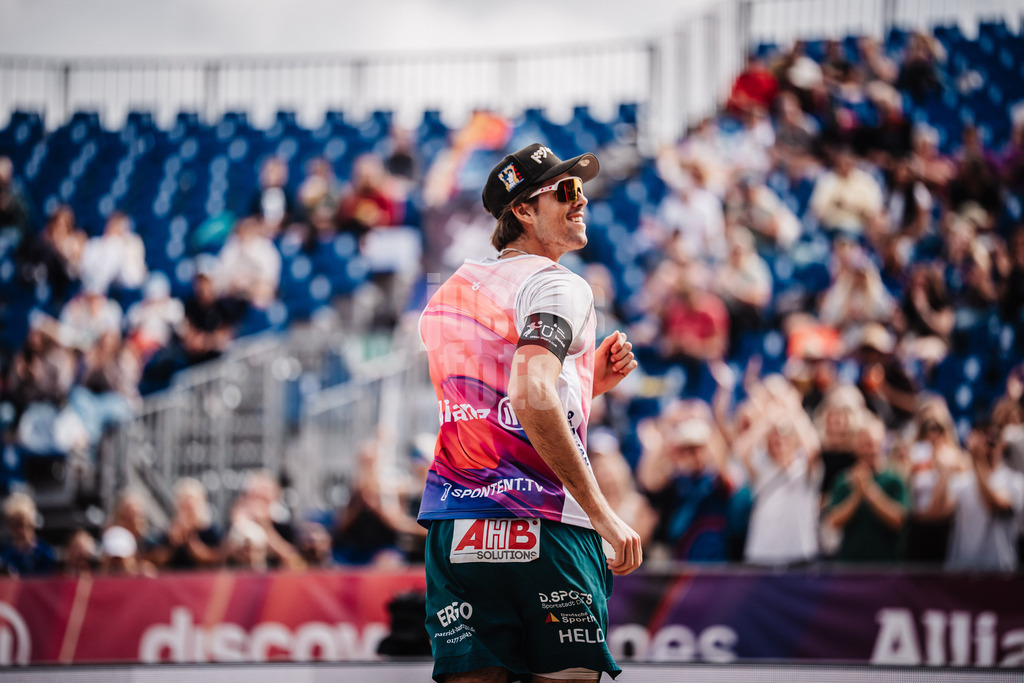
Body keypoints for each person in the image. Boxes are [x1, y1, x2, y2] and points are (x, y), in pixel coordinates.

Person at [416, 143, 642, 682]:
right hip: (547, 524)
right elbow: (531, 394)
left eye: (581, 190)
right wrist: (603, 513)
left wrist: (585, 387)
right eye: (565, 191)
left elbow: (489, 407)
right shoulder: (558, 283)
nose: (581, 200)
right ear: (522, 210)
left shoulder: (449, 294)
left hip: (458, 522)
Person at [0, 492, 57, 576]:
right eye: (15, 526)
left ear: (32, 523)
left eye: (23, 525)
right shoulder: (6, 554)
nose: (21, 531)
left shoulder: (44, 552)